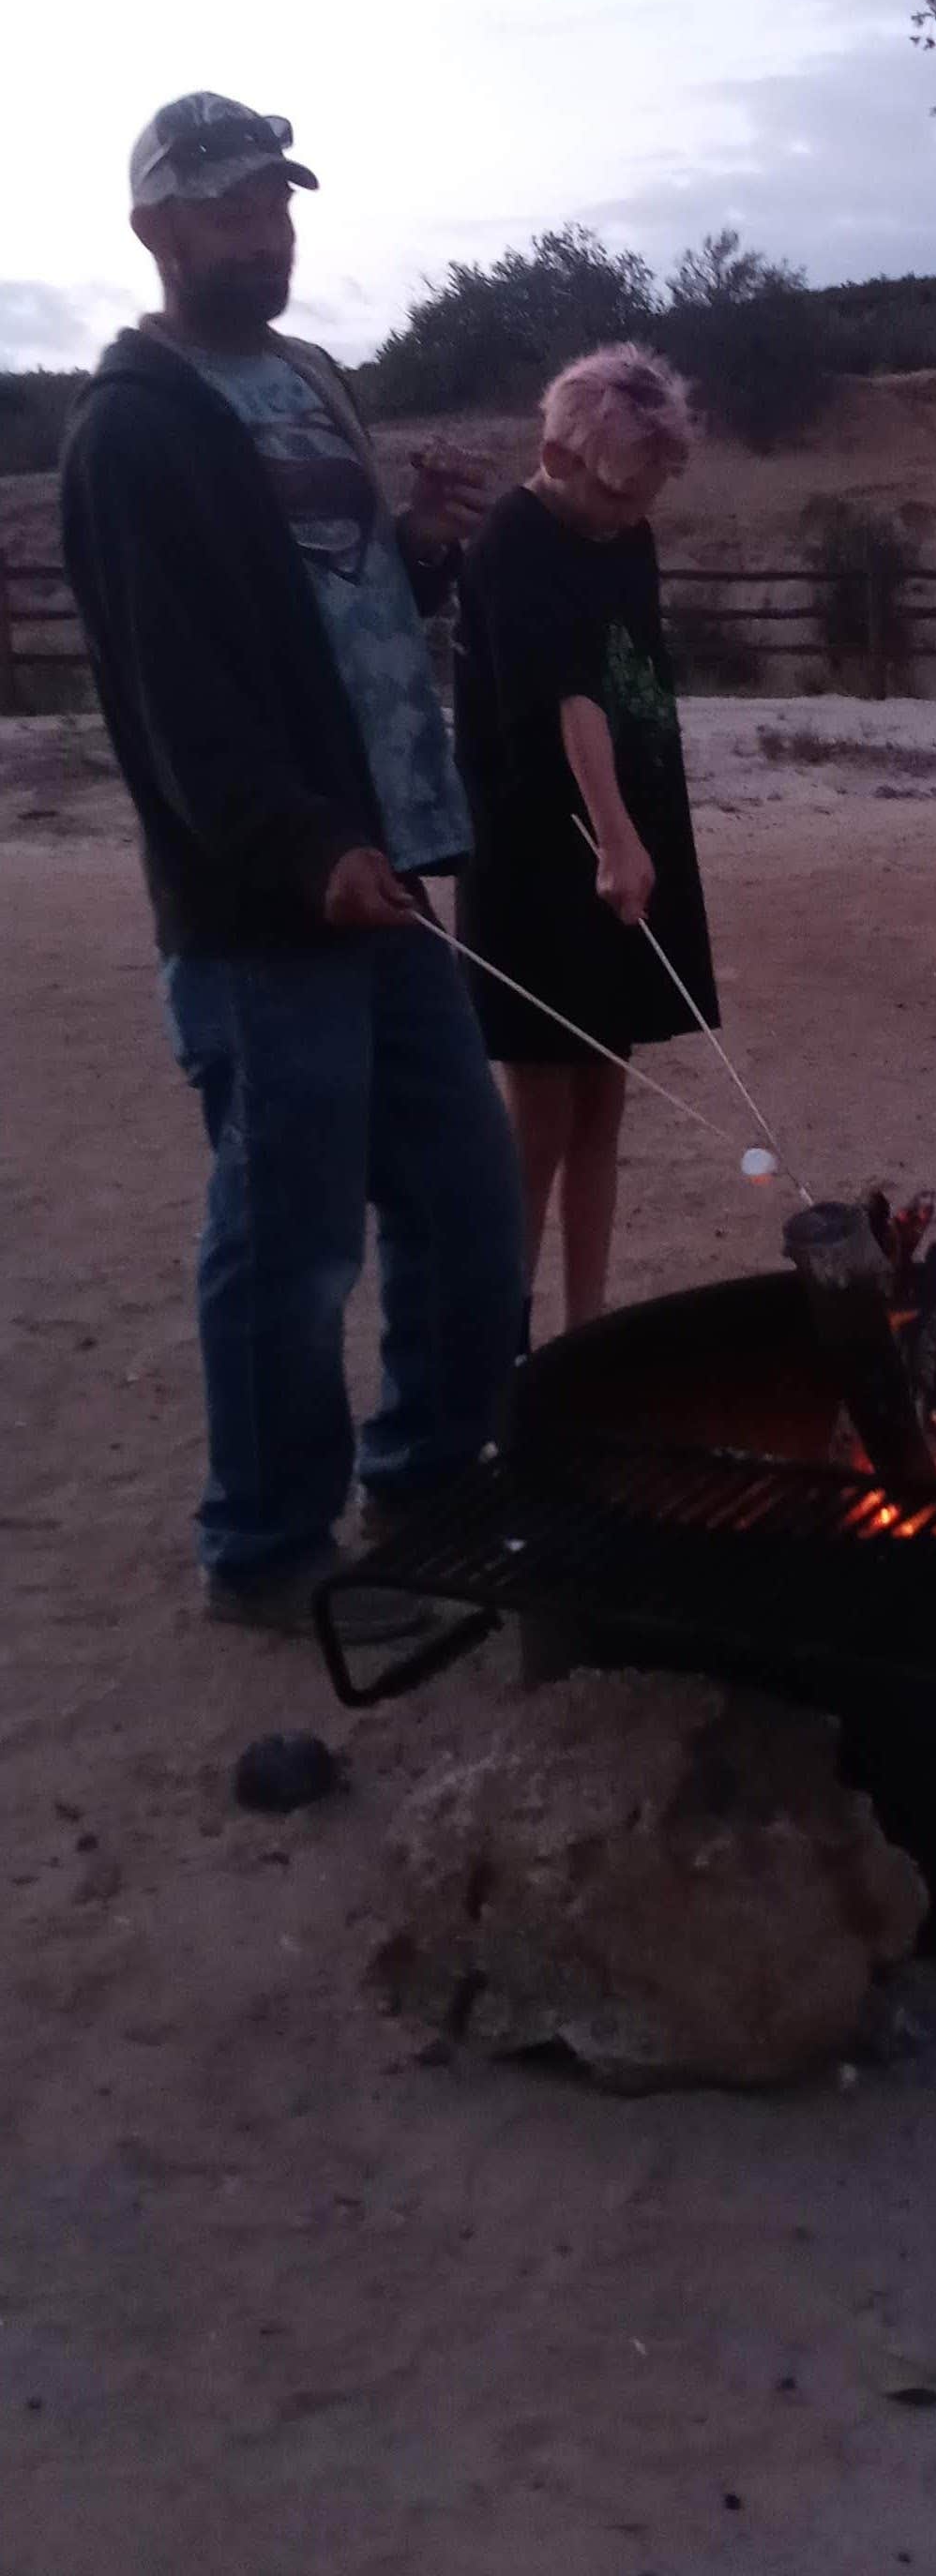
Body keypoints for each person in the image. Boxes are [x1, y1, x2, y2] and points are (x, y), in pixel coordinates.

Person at [60, 91, 524, 1632]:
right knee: (292, 1240)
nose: (266, 234)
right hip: (267, 909)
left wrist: (434, 543)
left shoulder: (310, 379)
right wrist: (304, 847)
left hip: (386, 869)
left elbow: (353, 601)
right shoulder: (133, 428)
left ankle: (434, 1471)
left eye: (278, 205)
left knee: (462, 1191)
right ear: (159, 230)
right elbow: (174, 695)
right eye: (232, 209)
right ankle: (265, 1549)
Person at [454, 344, 718, 1332]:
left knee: (607, 1100)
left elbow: (628, 679)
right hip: (536, 849)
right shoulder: (513, 541)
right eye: (619, 495)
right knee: (540, 1123)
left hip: (627, 833)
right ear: (558, 457)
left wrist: (635, 832)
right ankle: (506, 1351)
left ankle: (587, 1335)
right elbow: (569, 697)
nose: (631, 517)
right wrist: (613, 836)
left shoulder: (623, 533)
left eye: (647, 497)